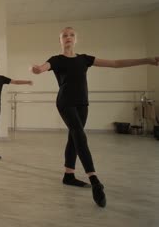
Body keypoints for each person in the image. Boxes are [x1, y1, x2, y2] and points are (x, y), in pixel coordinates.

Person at [31, 26, 159, 207]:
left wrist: (147, 60)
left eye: (72, 35)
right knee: (80, 135)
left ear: (76, 39)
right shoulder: (56, 60)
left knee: (74, 136)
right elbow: (43, 67)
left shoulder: (84, 59)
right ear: (60, 41)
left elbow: (115, 63)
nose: (68, 37)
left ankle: (69, 175)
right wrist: (37, 69)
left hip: (83, 103)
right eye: (64, 36)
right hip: (65, 102)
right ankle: (95, 181)